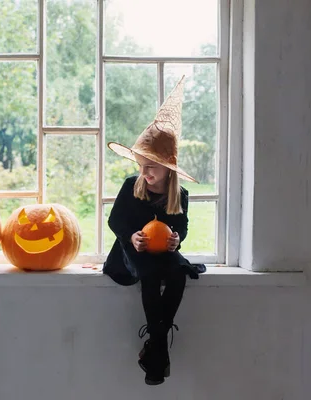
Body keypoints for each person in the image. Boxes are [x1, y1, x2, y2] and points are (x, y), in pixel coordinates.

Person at [103, 76, 206, 386]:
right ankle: (159, 348)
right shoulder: (130, 188)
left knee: (178, 274)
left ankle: (157, 342)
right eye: (141, 165)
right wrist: (132, 237)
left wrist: (177, 239)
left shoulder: (180, 196)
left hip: (163, 253)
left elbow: (182, 227)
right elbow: (116, 221)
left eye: (151, 167)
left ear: (168, 169)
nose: (145, 173)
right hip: (134, 252)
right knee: (149, 276)